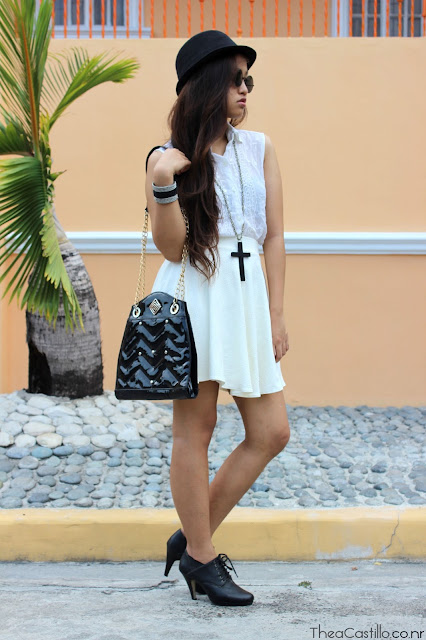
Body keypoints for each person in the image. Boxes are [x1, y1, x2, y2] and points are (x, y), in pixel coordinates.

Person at [144, 30, 290, 607]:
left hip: (248, 299)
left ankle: (191, 536)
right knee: (195, 429)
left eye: (247, 80)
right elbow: (171, 248)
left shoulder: (259, 147)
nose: (245, 89)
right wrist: (163, 183)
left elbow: (274, 235)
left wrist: (276, 312)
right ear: (206, 86)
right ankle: (203, 559)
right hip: (199, 296)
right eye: (234, 80)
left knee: (271, 431)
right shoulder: (168, 157)